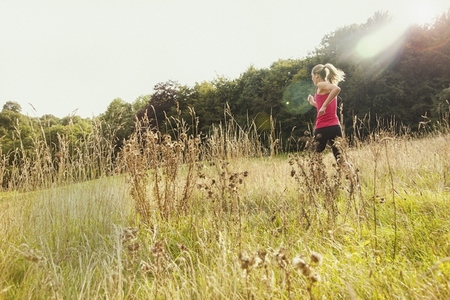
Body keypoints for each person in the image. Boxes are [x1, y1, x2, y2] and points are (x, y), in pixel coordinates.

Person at [307, 63, 346, 164]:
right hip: (335, 127)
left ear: (316, 75)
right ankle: (353, 178)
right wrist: (313, 103)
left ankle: (316, 179)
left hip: (323, 127)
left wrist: (324, 105)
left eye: (312, 76)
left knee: (314, 159)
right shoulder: (326, 86)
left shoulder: (321, 84)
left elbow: (337, 89)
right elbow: (323, 108)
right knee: (340, 159)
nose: (312, 79)